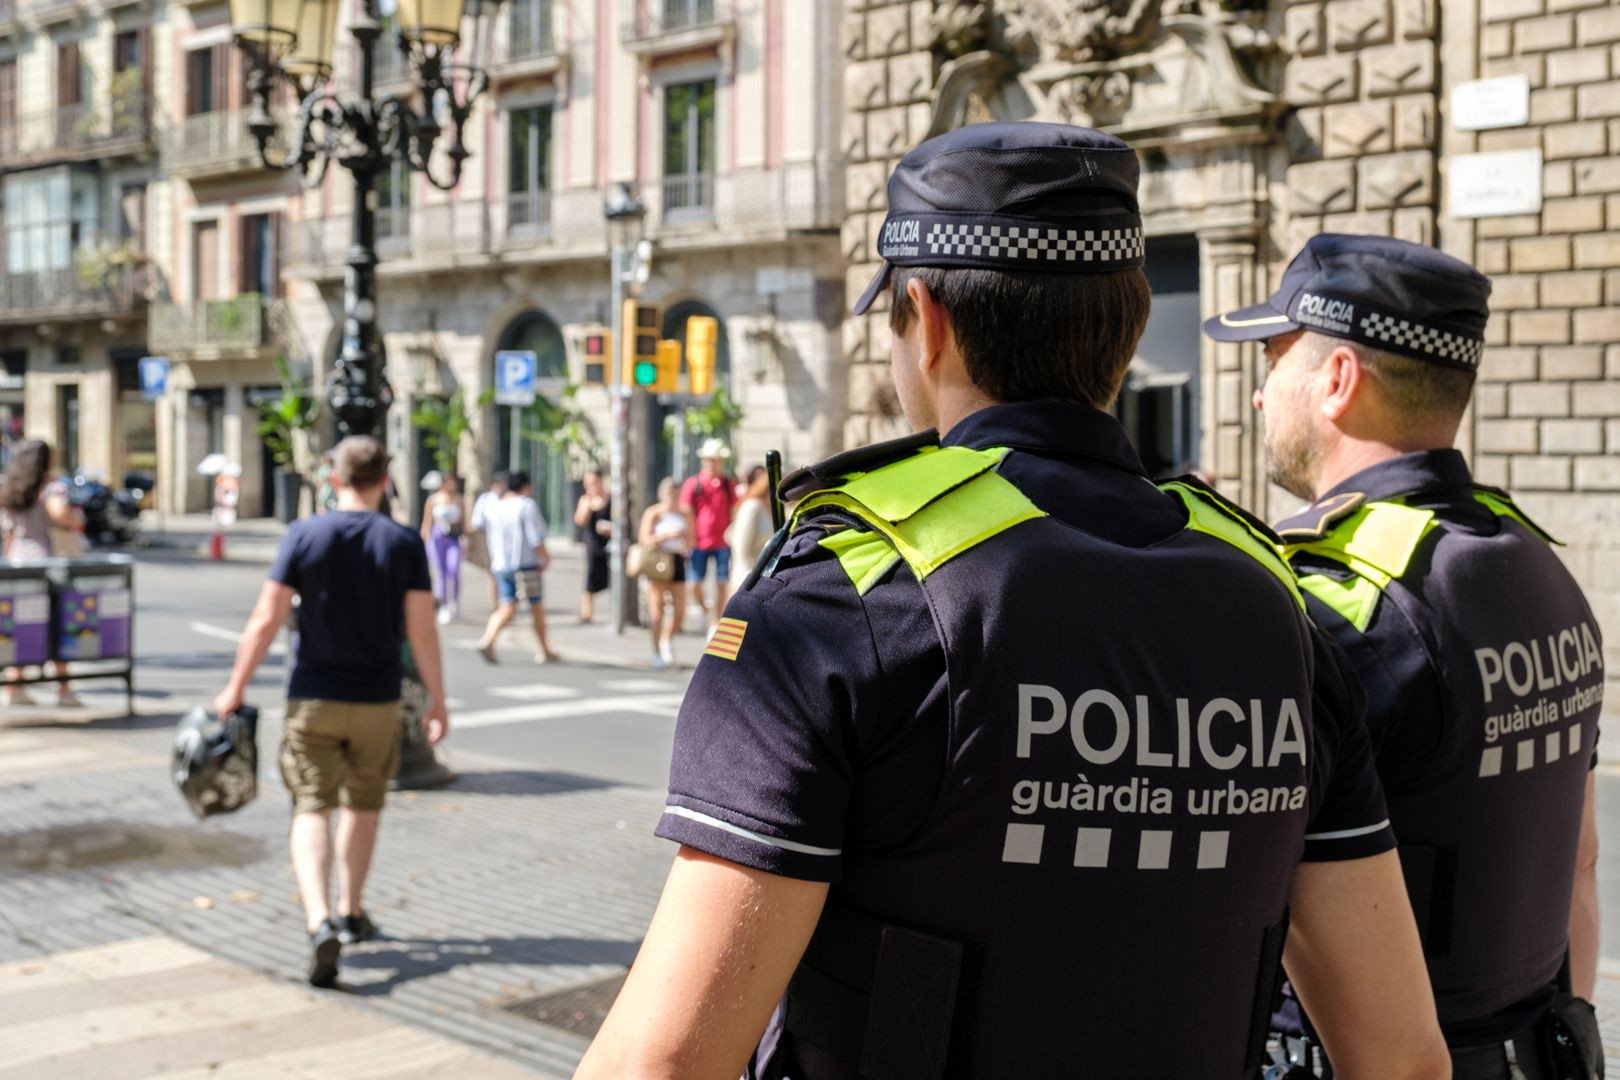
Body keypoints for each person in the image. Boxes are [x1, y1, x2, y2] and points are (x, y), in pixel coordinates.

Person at [577, 123, 1448, 1079]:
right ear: (1129, 320)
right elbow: (1401, 1057)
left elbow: (663, 1060)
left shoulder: (848, 596)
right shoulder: (1277, 601)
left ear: (928, 316)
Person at [1205, 233, 1607, 1077]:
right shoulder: (1535, 564)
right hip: (1531, 1049)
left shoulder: (1335, 604)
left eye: (1274, 358)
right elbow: (1576, 863)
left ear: (1338, 381)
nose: (1255, 394)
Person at [212, 435, 447, 989]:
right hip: (377, 700)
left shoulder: (304, 534)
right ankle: (351, 908)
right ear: (385, 480)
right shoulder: (403, 542)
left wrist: (234, 688)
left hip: (313, 697)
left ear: (334, 478)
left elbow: (265, 618)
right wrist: (437, 698)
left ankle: (319, 920)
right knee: (363, 807)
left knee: (311, 806)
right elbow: (421, 630)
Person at [0, 440, 84, 707]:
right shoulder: (51, 487)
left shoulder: (11, 488)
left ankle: (14, 688)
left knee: (22, 624)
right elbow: (61, 512)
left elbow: (9, 534)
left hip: (17, 563)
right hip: (45, 563)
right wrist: (77, 520)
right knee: (55, 625)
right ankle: (64, 690)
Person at [474, 470, 557, 664]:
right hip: (525, 564)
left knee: (507, 605)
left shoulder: (495, 507)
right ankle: (545, 650)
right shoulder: (526, 505)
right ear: (525, 487)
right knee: (535, 607)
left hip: (500, 564)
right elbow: (535, 537)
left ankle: (488, 638)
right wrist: (545, 557)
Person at [680, 439, 737, 633]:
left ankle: (717, 619)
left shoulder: (728, 485)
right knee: (694, 583)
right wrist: (691, 537)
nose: (714, 464)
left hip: (722, 541)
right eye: (711, 460)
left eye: (717, 460)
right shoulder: (693, 483)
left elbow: (733, 510)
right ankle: (706, 610)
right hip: (700, 542)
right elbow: (686, 511)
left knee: (722, 582)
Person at [637, 477, 691, 671]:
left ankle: (666, 639)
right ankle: (656, 652)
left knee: (680, 611)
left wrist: (684, 539)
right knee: (657, 611)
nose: (674, 499)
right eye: (671, 495)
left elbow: (692, 539)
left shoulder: (684, 513)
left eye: (677, 495)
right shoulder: (654, 513)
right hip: (658, 561)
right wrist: (669, 535)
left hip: (677, 560)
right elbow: (644, 539)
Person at [419, 471, 464, 624]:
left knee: (454, 569)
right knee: (441, 572)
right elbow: (427, 523)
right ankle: (443, 605)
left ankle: (454, 602)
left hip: (453, 537)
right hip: (438, 537)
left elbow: (464, 523)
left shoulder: (459, 500)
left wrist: (467, 540)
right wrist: (424, 542)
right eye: (449, 481)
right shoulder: (433, 499)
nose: (452, 485)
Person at [725, 465, 774, 595]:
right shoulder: (752, 507)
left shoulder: (769, 510)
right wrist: (748, 580)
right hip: (746, 581)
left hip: (761, 580)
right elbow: (740, 547)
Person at [573, 469, 611, 624]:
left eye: (594, 482)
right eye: (587, 483)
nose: (591, 486)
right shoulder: (585, 500)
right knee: (590, 577)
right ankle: (587, 612)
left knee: (612, 576)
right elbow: (579, 521)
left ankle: (615, 610)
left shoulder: (610, 498)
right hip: (593, 544)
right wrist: (589, 506)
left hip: (609, 543)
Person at [468, 470, 508, 609]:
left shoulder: (510, 499)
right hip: (489, 541)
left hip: (507, 543)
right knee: (492, 574)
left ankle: (506, 604)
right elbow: (476, 522)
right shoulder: (486, 500)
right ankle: (496, 605)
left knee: (505, 574)